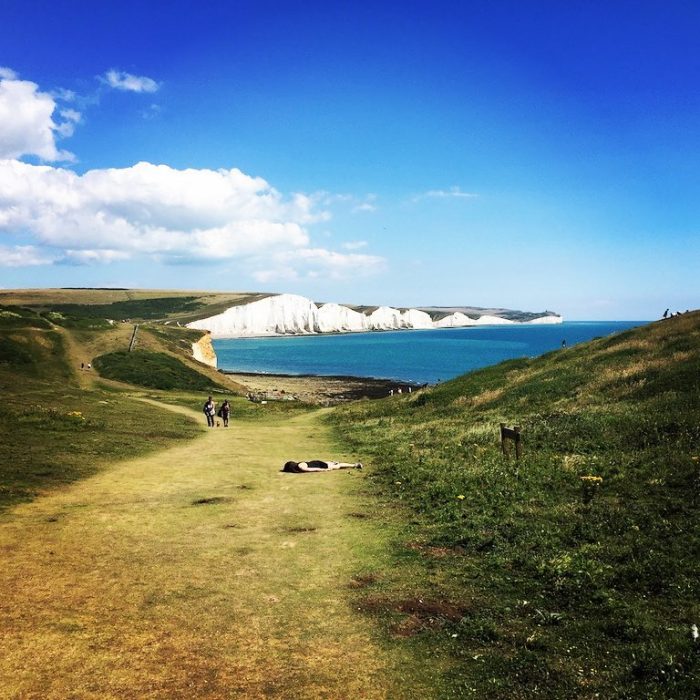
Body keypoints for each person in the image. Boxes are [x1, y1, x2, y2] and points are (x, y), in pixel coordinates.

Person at [281, 460, 363, 473]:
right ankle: (354, 465)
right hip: (317, 462)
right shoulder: (300, 464)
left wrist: (323, 470)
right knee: (337, 464)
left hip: (319, 465)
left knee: (338, 466)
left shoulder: (300, 467)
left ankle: (355, 465)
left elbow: (312, 470)